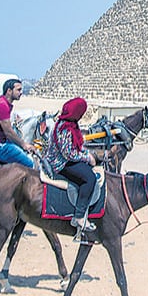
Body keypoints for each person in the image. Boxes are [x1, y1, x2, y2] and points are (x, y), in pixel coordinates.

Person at [42, 97, 97, 232]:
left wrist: (86, 153)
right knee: (90, 178)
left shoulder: (69, 123)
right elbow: (69, 154)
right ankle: (79, 216)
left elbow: (76, 146)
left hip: (64, 159)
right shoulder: (65, 128)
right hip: (60, 163)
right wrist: (87, 158)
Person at [0, 78, 34, 168]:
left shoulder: (4, 103)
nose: (21, 92)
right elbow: (8, 131)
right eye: (18, 90)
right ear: (9, 91)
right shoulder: (2, 105)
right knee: (30, 164)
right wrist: (24, 145)